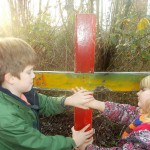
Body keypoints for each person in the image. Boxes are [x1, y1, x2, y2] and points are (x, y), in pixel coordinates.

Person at [0, 37, 94, 150]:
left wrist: (67, 101)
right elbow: (37, 144)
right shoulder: (6, 118)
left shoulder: (22, 93)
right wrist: (73, 142)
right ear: (11, 78)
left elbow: (44, 103)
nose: (34, 76)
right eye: (29, 72)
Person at [77, 75, 150, 150]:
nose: (137, 93)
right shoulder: (145, 114)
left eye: (143, 90)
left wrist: (87, 148)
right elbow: (125, 112)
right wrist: (95, 103)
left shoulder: (146, 135)